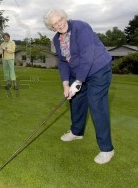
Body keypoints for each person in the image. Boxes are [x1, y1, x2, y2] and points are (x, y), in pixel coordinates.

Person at [44, 9, 114, 164]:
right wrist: (66, 84)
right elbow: (63, 62)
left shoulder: (81, 27)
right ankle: (77, 132)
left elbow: (87, 56)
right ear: (52, 28)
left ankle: (107, 149)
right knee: (75, 101)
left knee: (96, 105)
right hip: (79, 72)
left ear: (65, 17)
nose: (59, 24)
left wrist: (78, 81)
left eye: (60, 19)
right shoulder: (57, 39)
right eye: (55, 24)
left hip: (98, 69)